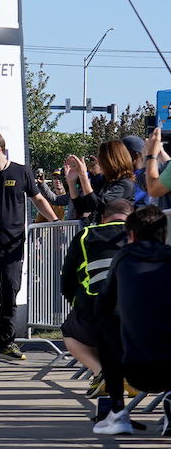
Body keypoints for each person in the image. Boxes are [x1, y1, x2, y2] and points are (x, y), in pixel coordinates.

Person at [0, 130, 59, 360]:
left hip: (13, 246)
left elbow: (38, 200)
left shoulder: (21, 171)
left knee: (10, 293)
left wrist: (55, 222)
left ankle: (7, 343)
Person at [93, 206, 171, 436]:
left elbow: (102, 307)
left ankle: (117, 413)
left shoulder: (123, 258)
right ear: (164, 234)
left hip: (136, 370)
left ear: (132, 236)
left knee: (105, 323)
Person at [59, 198, 133, 388]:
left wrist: (78, 303)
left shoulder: (85, 235)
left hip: (96, 311)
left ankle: (101, 372)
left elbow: (67, 280)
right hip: (138, 315)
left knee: (70, 332)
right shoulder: (141, 234)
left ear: (102, 218)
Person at [66, 141, 137, 223]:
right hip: (101, 232)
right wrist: (71, 182)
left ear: (110, 161)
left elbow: (98, 206)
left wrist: (83, 176)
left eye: (100, 157)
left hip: (117, 233)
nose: (98, 161)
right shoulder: (103, 182)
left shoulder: (125, 184)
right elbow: (82, 208)